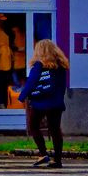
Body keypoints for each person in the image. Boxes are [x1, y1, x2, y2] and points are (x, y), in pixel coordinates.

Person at [18, 38, 69, 168]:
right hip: (56, 103)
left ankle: (43, 153)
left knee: (34, 126)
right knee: (55, 130)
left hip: (40, 102)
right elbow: (61, 86)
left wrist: (22, 96)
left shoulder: (39, 65)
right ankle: (57, 160)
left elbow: (31, 82)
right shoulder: (61, 66)